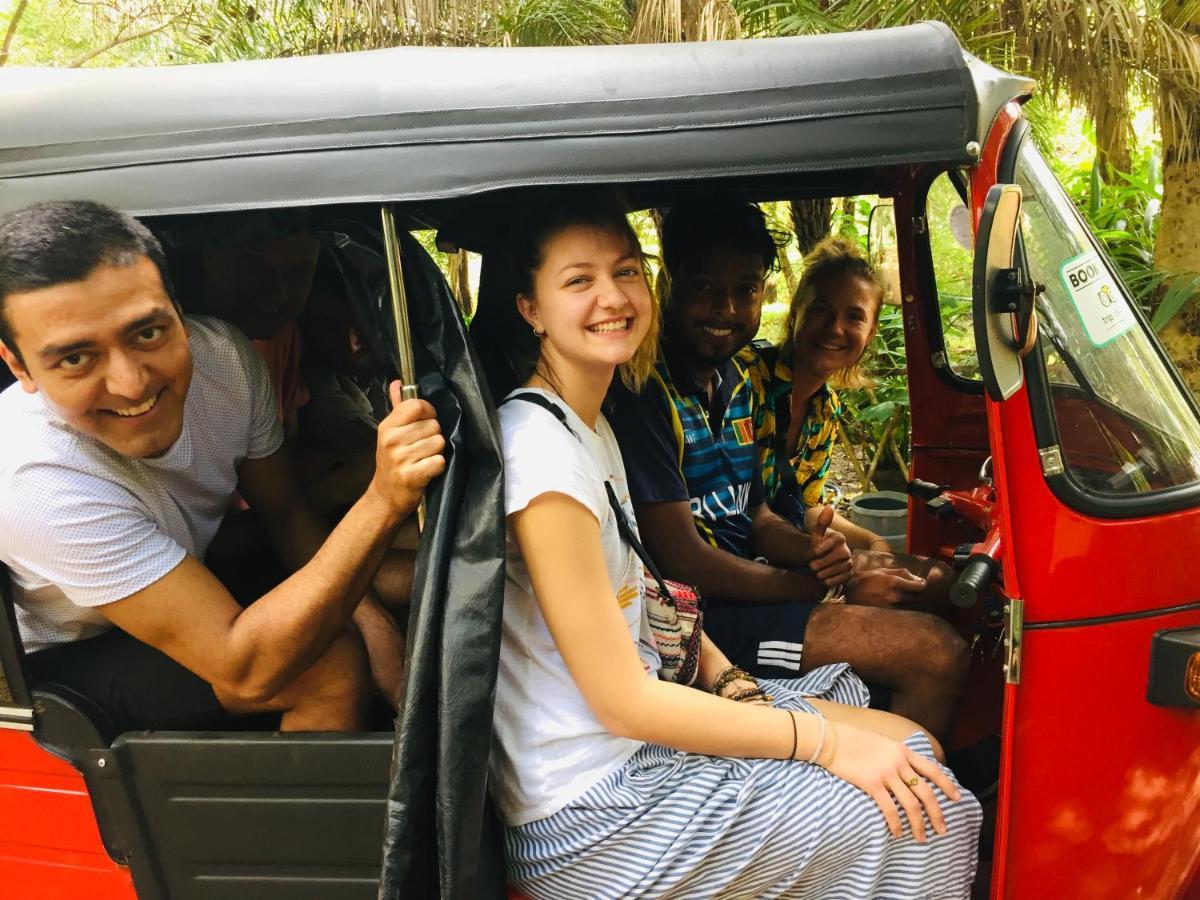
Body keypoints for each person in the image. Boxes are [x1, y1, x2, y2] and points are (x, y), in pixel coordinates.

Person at [482, 188, 980, 898]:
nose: (611, 297)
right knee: (933, 808)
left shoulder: (585, 427)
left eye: (624, 271)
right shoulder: (545, 456)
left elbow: (654, 593)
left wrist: (734, 685)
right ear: (529, 307)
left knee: (912, 749)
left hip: (636, 751)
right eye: (577, 280)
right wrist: (824, 742)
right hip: (596, 810)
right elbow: (623, 702)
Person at [0, 201, 443, 733]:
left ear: (179, 312)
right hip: (74, 656)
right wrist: (382, 498)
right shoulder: (32, 478)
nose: (132, 384)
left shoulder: (226, 360)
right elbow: (247, 668)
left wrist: (373, 625)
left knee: (415, 575)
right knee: (324, 663)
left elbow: (284, 513)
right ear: (20, 367)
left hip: (192, 566)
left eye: (147, 334)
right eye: (75, 358)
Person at [607, 197, 966, 740]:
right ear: (668, 283)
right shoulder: (644, 394)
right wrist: (818, 589)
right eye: (704, 285)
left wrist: (826, 558)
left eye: (745, 289)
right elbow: (682, 558)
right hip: (705, 624)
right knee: (937, 653)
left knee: (945, 586)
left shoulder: (733, 384)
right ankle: (893, 801)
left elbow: (760, 516)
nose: (725, 307)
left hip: (751, 586)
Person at [743, 233, 954, 604]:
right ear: (796, 314)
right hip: (750, 559)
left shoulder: (825, 408)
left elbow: (806, 506)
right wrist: (844, 570)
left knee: (940, 578)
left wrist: (871, 542)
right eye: (821, 310)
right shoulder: (746, 381)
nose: (835, 328)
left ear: (870, 333)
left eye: (854, 317)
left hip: (795, 550)